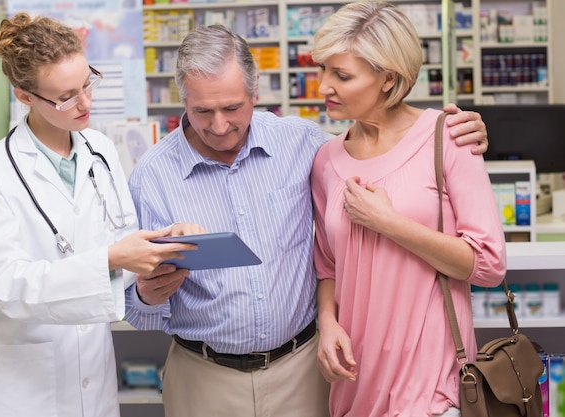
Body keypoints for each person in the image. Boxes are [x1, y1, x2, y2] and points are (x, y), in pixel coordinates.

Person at [123, 24, 490, 417]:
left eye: (232, 108)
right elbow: (137, 310)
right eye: (202, 112)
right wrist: (149, 292)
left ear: (255, 90)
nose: (218, 126)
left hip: (302, 370)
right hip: (203, 377)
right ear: (183, 98)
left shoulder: (303, 143)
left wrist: (465, 134)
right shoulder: (152, 176)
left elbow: (376, 150)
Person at [0, 13, 199, 417]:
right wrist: (111, 259)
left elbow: (121, 242)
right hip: (23, 385)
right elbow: (6, 284)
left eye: (87, 82)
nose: (85, 102)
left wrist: (154, 253)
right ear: (25, 96)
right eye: (66, 95)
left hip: (93, 370)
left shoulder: (101, 151)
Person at [309, 3, 507, 417]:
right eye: (323, 70)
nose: (323, 86)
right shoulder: (326, 159)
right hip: (354, 380)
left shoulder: (448, 138)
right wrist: (326, 325)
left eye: (342, 75)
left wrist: (388, 223)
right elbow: (327, 266)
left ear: (389, 79)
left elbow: (488, 264)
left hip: (430, 384)